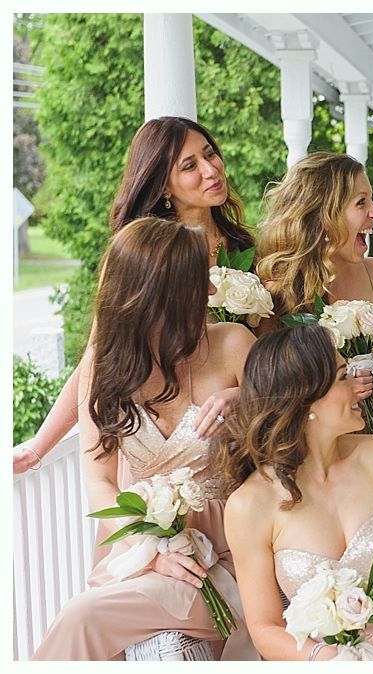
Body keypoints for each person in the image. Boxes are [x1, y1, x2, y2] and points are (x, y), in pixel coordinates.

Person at [30, 217, 257, 660]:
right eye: (196, 289)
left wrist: (243, 397)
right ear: (157, 300)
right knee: (88, 615)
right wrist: (150, 551)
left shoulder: (233, 344)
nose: (209, 298)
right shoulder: (104, 366)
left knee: (83, 617)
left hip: (228, 560)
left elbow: (294, 419)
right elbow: (100, 483)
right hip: (137, 551)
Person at [14, 117, 254, 474]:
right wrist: (38, 448)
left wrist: (246, 396)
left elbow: (269, 352)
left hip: (227, 445)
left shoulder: (248, 249)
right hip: (157, 437)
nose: (211, 169)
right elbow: (98, 359)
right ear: (163, 187)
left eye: (210, 154)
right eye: (190, 166)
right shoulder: (141, 258)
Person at [220, 324, 373, 660]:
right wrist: (331, 661)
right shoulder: (248, 506)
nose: (359, 386)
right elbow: (265, 628)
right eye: (343, 377)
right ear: (304, 399)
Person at [254, 151, 373, 406]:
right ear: (323, 216)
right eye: (361, 202)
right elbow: (269, 388)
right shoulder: (278, 292)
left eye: (371, 200)